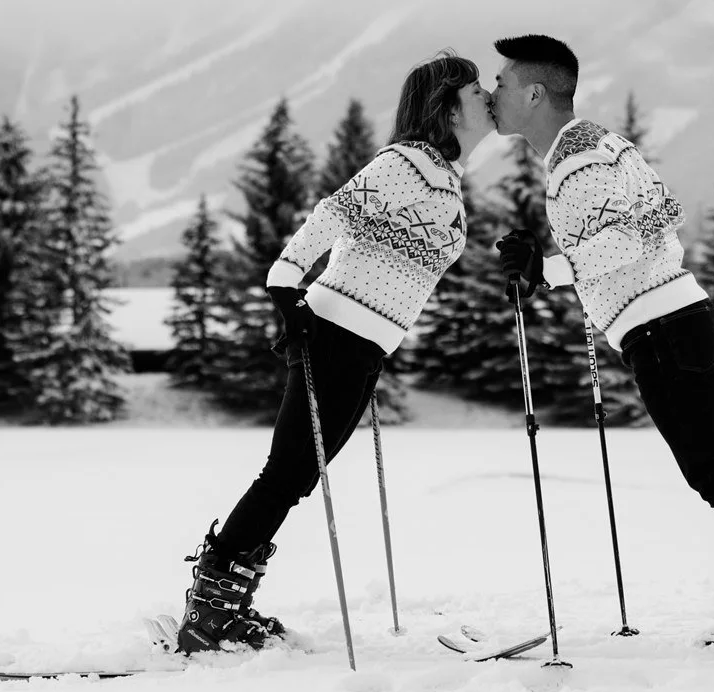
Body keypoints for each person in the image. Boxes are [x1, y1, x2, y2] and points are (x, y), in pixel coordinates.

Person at [486, 34, 714, 650]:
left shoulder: (578, 160)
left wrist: (545, 268)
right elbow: (658, 221)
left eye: (502, 84)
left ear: (535, 92)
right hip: (684, 318)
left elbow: (629, 241)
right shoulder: (602, 145)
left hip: (663, 331)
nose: (493, 94)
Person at [155, 52, 497, 655]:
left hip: (364, 345)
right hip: (336, 334)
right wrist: (285, 285)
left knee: (294, 476)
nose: (487, 96)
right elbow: (333, 212)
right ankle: (211, 611)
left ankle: (222, 603)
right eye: (475, 90)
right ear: (445, 105)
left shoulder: (443, 174)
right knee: (286, 475)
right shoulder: (407, 163)